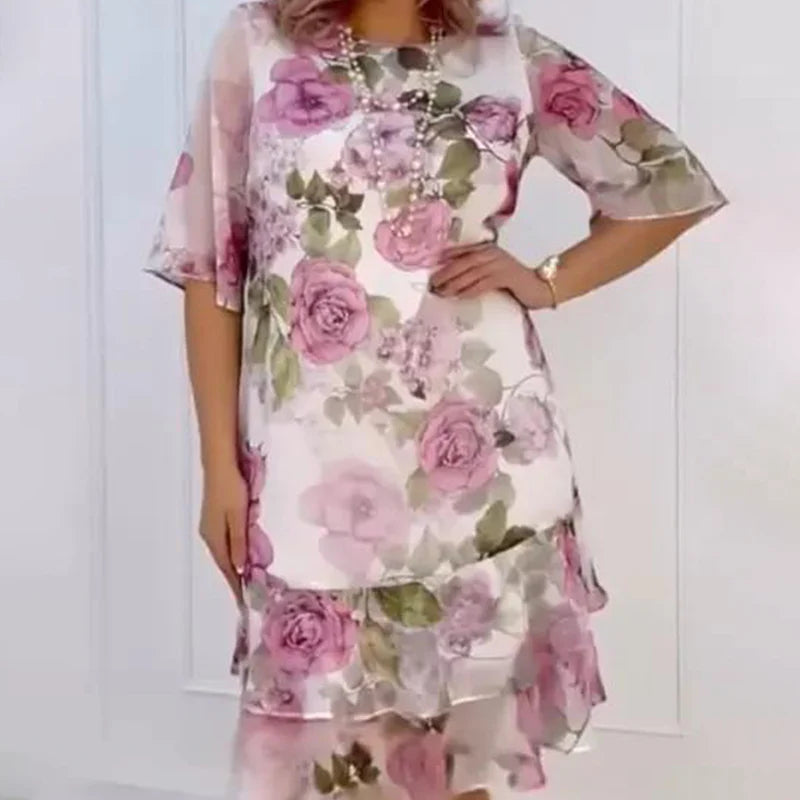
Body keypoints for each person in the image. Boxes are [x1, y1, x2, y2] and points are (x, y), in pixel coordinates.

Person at [146, 0, 726, 797]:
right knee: (332, 773)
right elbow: (212, 265)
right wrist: (220, 465)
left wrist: (548, 280)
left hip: (481, 472)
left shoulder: (505, 51)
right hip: (313, 486)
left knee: (464, 767)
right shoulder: (256, 42)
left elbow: (668, 183)